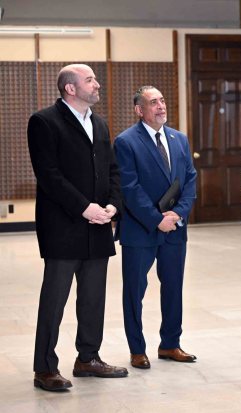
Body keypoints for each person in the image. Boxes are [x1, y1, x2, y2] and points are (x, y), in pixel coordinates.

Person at [27, 64, 128, 392]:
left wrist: (113, 205)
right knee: (54, 300)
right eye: (90, 80)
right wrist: (85, 208)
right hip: (64, 227)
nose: (97, 85)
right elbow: (49, 175)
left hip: (98, 225)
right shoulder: (43, 122)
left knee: (93, 298)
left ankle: (88, 357)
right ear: (70, 88)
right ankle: (44, 368)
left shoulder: (99, 123)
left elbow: (112, 169)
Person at [114, 86, 197, 369]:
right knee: (134, 291)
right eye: (153, 103)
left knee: (173, 287)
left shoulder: (179, 139)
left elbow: (189, 180)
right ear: (139, 110)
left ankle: (170, 344)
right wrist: (156, 219)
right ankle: (137, 349)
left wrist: (177, 214)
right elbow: (129, 188)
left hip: (174, 229)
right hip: (140, 230)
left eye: (162, 100)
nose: (161, 106)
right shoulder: (126, 142)